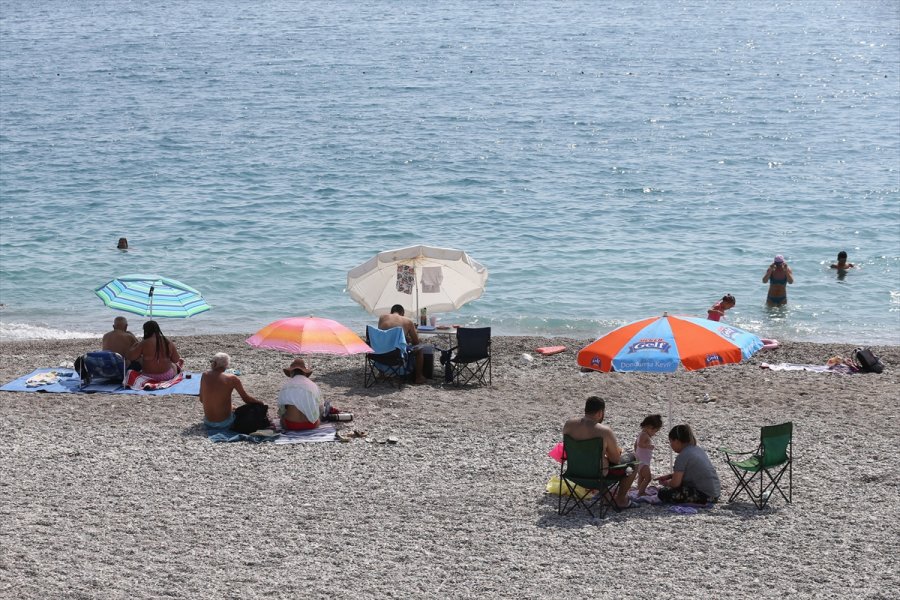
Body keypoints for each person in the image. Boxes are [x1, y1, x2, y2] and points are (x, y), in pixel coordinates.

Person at [562, 396, 638, 509]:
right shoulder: (604, 431)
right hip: (597, 476)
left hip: (574, 473)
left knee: (596, 461)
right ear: (600, 413)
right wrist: (618, 452)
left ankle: (606, 497)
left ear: (586, 410)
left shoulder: (569, 425)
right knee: (634, 461)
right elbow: (615, 460)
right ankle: (621, 500)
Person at [656, 424, 721, 504]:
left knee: (663, 492)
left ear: (676, 441)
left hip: (706, 496)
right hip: (715, 493)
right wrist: (670, 476)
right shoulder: (697, 449)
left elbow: (675, 484)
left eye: (671, 441)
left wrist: (666, 483)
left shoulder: (683, 456)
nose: (671, 445)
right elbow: (691, 471)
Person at [199, 352, 262, 429]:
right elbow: (246, 399)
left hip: (208, 422)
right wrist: (260, 403)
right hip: (225, 423)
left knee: (232, 407)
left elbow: (202, 399)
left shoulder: (205, 375)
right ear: (226, 365)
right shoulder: (232, 378)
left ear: (214, 363)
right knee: (250, 409)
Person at [378, 304, 428, 384]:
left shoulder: (382, 317)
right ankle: (419, 377)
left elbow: (383, 336)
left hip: (380, 355)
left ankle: (381, 374)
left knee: (384, 343)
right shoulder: (407, 321)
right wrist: (408, 336)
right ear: (402, 313)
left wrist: (403, 338)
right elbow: (416, 342)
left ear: (391, 312)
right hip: (397, 356)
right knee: (419, 350)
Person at [277, 358, 326, 430]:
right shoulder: (313, 385)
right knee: (320, 409)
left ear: (291, 373)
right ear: (305, 373)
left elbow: (281, 409)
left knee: (282, 416)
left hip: (291, 425)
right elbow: (319, 405)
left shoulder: (286, 387)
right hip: (311, 425)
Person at [634, 414, 663, 497]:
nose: (654, 434)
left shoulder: (641, 434)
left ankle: (639, 489)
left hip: (641, 460)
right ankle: (641, 492)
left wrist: (637, 454)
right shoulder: (644, 435)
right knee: (648, 477)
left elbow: (635, 445)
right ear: (648, 427)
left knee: (641, 477)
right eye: (654, 431)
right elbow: (640, 444)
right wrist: (648, 446)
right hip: (643, 461)